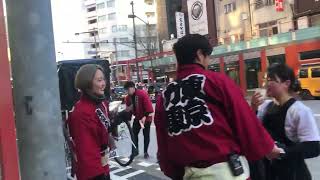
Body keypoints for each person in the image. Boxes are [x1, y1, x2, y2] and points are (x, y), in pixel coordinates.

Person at [154, 34, 283, 180]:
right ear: (199, 55)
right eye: (208, 56)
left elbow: (163, 143)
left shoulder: (165, 96)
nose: (208, 62)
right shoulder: (216, 81)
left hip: (189, 174)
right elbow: (244, 120)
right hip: (224, 171)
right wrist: (268, 148)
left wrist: (173, 171)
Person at [250, 63, 320, 180]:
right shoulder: (265, 106)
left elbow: (313, 147)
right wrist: (253, 108)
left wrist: (282, 152)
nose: (267, 84)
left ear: (286, 84)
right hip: (269, 172)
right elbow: (253, 131)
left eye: (272, 80)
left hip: (293, 174)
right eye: (267, 79)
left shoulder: (299, 110)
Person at [67, 64, 111, 180]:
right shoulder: (81, 112)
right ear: (87, 84)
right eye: (99, 80)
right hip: (92, 172)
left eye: (103, 79)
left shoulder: (100, 103)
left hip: (103, 166)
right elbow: (86, 150)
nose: (103, 84)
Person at [124, 81, 154, 159]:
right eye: (126, 90)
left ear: (133, 88)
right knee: (134, 135)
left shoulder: (142, 94)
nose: (127, 91)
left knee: (146, 135)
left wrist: (145, 116)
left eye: (128, 89)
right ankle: (135, 151)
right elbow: (129, 110)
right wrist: (127, 119)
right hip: (137, 118)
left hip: (146, 118)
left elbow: (149, 107)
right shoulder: (127, 98)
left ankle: (145, 152)